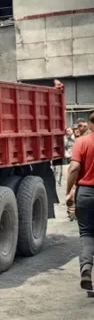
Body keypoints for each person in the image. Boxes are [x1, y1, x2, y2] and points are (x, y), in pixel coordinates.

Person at [66, 111, 94, 291]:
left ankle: (86, 270)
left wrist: (69, 192)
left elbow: (74, 167)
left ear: (90, 124)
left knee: (87, 234)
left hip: (86, 193)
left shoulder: (82, 142)